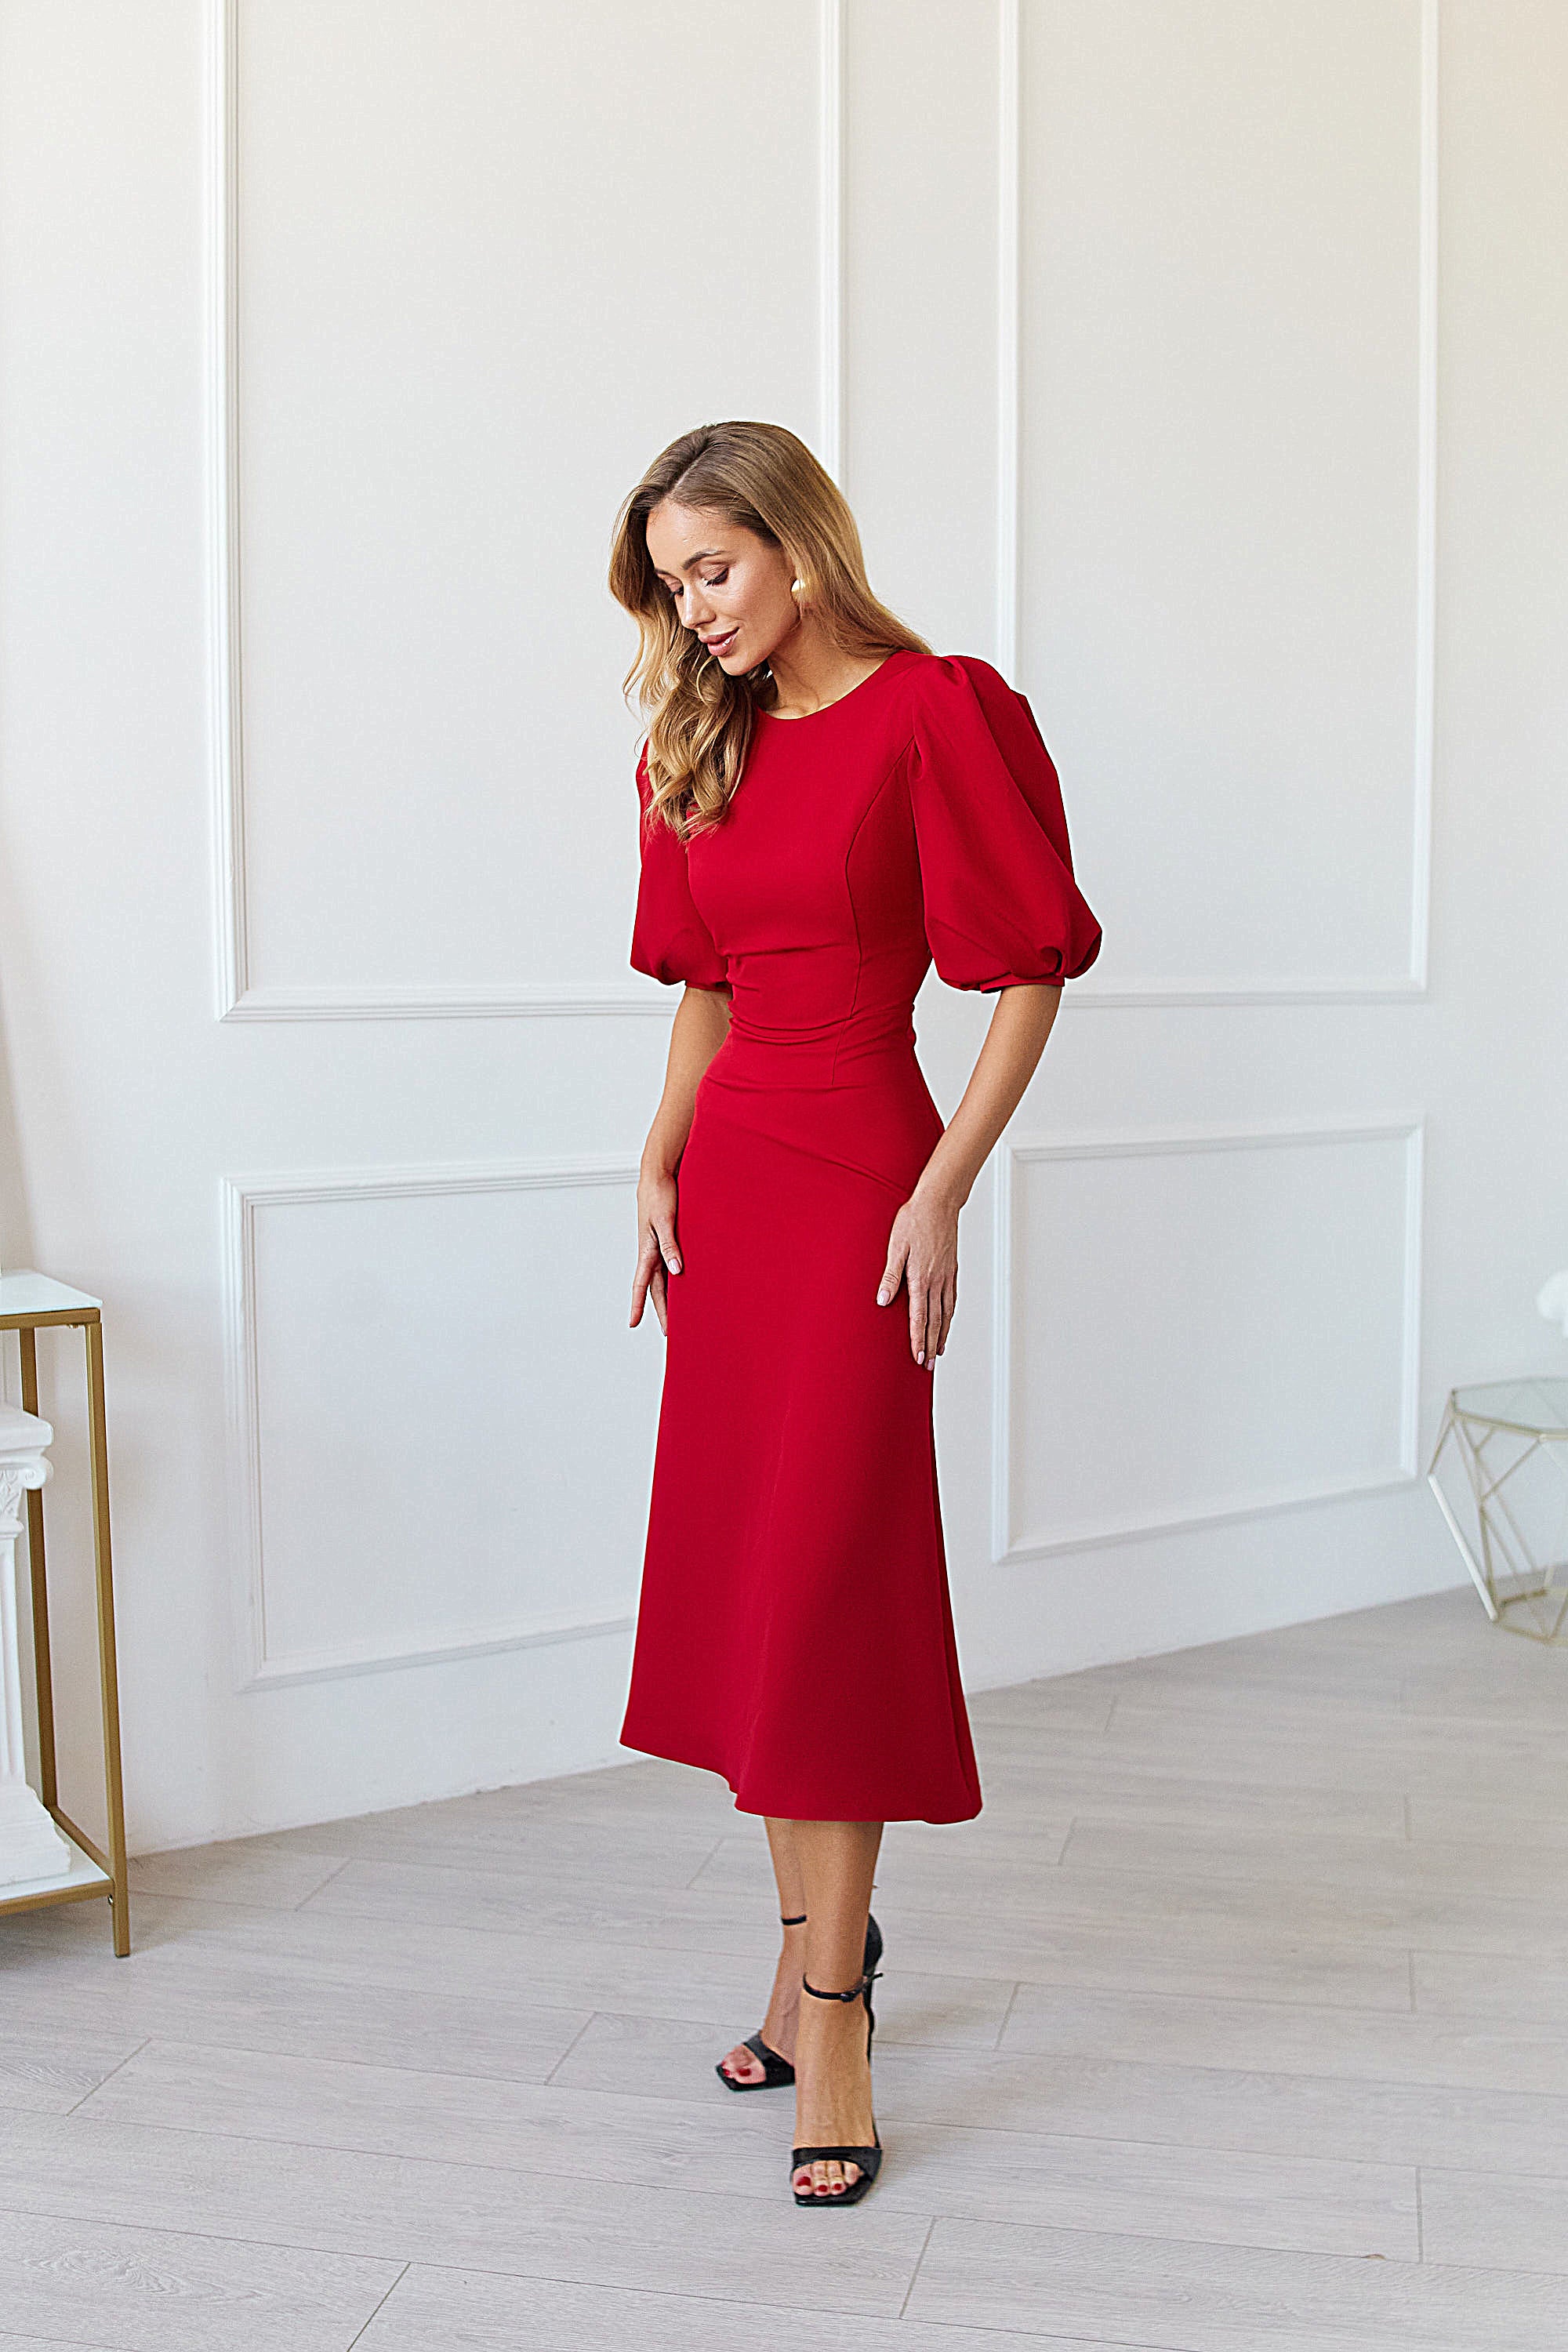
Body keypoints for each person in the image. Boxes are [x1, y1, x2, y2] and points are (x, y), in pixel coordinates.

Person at [608, 420, 1102, 2207]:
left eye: (714, 569)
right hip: (733, 1193)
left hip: (860, 1191)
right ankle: (808, 1962)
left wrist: (942, 1187)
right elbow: (706, 985)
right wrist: (655, 1159)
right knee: (759, 1591)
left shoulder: (932, 711)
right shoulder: (701, 737)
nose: (694, 608)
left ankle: (835, 2018)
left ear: (799, 547)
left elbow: (1027, 968)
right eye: (673, 584)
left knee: (826, 1589)